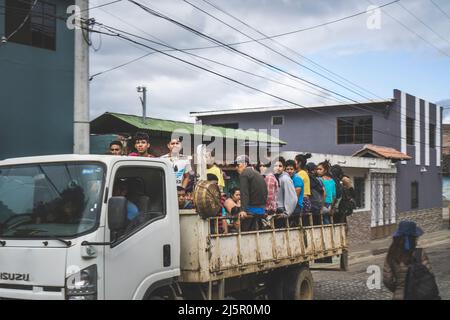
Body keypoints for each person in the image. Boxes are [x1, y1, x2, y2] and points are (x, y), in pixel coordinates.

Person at [383, 221, 439, 300]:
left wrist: (399, 288)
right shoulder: (419, 253)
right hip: (419, 295)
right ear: (414, 238)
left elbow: (387, 280)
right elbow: (429, 274)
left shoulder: (391, 255)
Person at [235, 155, 268, 231]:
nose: (236, 168)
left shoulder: (244, 174)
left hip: (251, 210)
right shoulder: (256, 173)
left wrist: (243, 210)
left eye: (238, 165)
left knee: (244, 232)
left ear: (245, 164)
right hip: (261, 210)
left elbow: (244, 193)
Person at [285, 160, 305, 226]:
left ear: (295, 169)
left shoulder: (297, 179)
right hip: (290, 206)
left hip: (296, 206)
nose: (289, 171)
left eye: (291, 169)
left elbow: (295, 197)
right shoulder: (287, 178)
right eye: (287, 169)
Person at [316, 160, 335, 225]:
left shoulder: (319, 179)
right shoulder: (332, 181)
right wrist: (332, 207)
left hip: (322, 203)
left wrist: (321, 207)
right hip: (329, 205)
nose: (318, 171)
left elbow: (324, 194)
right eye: (317, 169)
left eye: (320, 169)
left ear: (325, 170)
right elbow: (334, 196)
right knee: (326, 219)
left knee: (322, 221)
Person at [295, 153, 312, 218]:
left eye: (295, 161)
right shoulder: (303, 173)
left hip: (303, 200)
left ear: (299, 163)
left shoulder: (301, 174)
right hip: (305, 200)